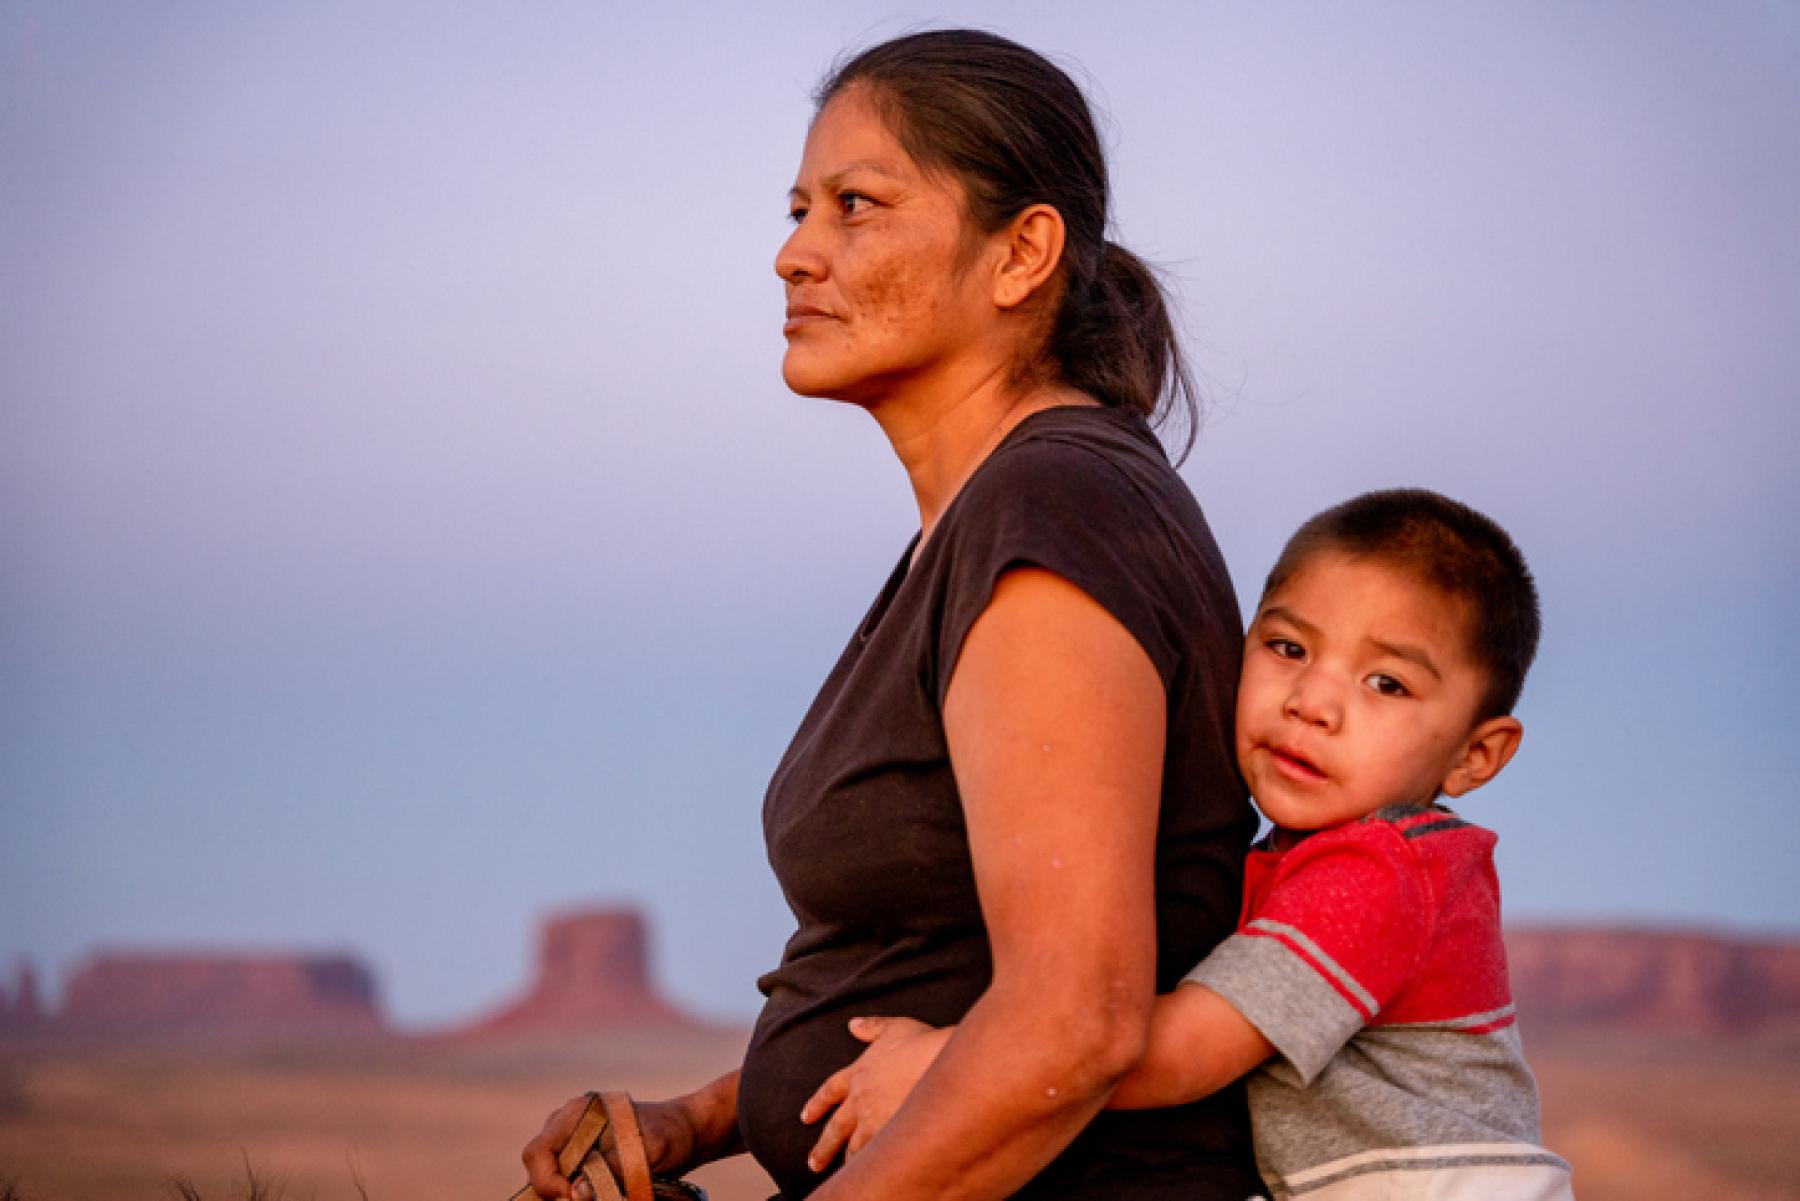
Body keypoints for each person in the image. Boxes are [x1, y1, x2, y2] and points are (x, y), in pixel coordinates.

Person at [522, 28, 1264, 1201]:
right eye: (799, 208)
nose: (792, 254)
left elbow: (1074, 1021)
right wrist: (696, 1123)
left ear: (1022, 253)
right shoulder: (994, 519)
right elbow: (926, 982)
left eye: (855, 206)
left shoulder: (1051, 506)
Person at [802, 489, 1577, 1201]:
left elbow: (1183, 1054)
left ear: (1477, 755)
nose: (1311, 703)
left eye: (1386, 684)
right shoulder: (1302, 855)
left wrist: (941, 1063)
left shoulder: (1382, 868)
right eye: (1288, 647)